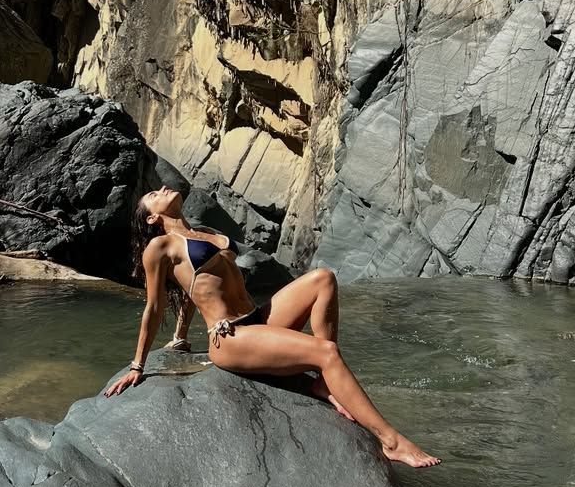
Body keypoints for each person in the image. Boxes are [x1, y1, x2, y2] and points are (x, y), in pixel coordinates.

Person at [102, 186, 440, 468]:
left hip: (258, 318)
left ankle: (324, 382)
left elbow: (194, 288)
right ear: (152, 218)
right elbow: (154, 306)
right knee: (326, 352)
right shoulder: (159, 247)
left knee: (323, 279)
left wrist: (180, 336)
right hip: (231, 337)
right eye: (154, 195)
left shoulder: (201, 234)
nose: (163, 189)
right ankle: (390, 441)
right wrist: (137, 366)